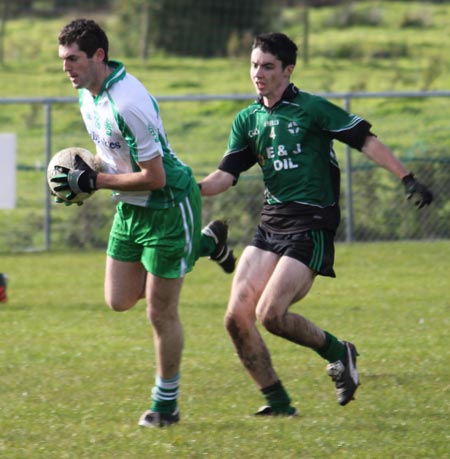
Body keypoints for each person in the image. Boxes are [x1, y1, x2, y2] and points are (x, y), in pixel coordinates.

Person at [198, 32, 433, 415]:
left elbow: (365, 140)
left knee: (270, 315)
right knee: (235, 318)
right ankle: (278, 404)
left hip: (312, 224)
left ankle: (339, 352)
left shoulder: (312, 109)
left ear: (288, 70)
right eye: (254, 65)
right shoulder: (248, 119)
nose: (258, 73)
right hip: (271, 225)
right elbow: (224, 177)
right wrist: (186, 189)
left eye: (268, 66)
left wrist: (407, 178)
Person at [53, 18, 236, 428]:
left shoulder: (128, 102)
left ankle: (165, 406)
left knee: (159, 311)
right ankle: (207, 244)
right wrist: (78, 176)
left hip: (169, 205)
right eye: (63, 60)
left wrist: (95, 181)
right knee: (118, 300)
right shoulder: (87, 96)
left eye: (73, 59)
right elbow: (114, 158)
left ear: (99, 55)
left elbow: (157, 177)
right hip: (130, 208)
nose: (67, 67)